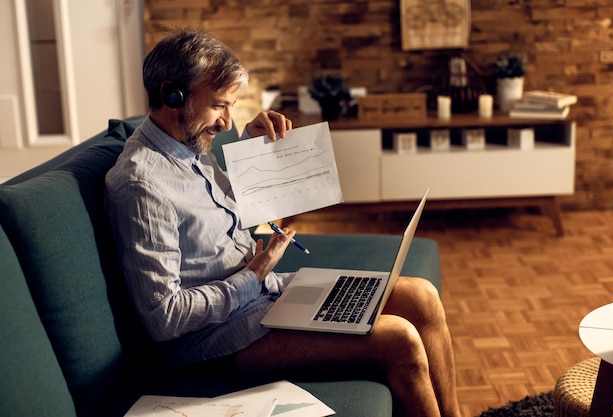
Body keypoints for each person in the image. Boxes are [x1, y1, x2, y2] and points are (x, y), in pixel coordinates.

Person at [105, 29, 461, 417]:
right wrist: (253, 276)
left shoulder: (189, 145)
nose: (225, 122)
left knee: (422, 297)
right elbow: (165, 318)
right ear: (172, 95)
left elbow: (225, 216)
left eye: (231, 107)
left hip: (264, 296)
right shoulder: (141, 183)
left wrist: (251, 148)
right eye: (218, 106)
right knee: (401, 340)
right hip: (214, 339)